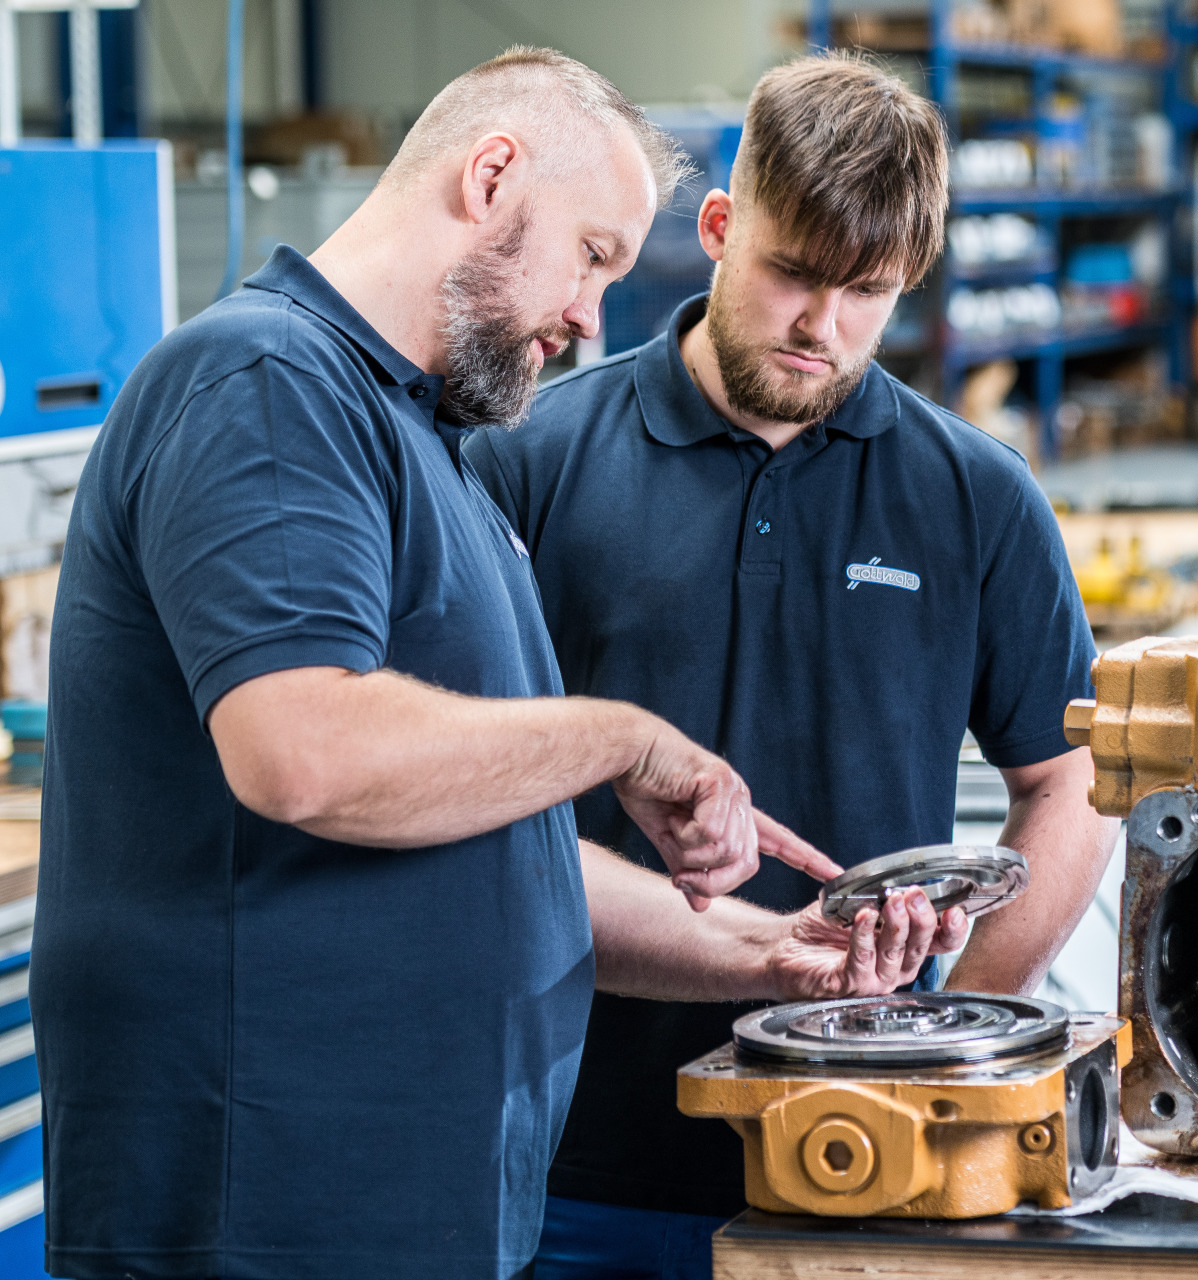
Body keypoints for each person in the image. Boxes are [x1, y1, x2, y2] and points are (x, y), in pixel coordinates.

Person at [34, 48, 962, 1280]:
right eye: (591, 255)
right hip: (265, 1205)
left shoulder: (425, 444)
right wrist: (624, 737)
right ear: (491, 175)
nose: (590, 316)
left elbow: (498, 845)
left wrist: (768, 952)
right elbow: (306, 752)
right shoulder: (264, 383)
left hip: (402, 1211)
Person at [465, 53, 1119, 1280]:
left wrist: (952, 1025)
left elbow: (1070, 777)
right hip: (567, 1163)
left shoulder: (976, 496)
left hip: (870, 1160)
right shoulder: (530, 462)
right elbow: (466, 787)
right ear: (719, 228)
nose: (822, 327)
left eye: (866, 292)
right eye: (793, 275)